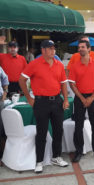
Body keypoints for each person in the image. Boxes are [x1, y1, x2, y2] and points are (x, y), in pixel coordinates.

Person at [19, 40, 69, 173]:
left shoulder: (58, 64)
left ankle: (56, 157)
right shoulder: (34, 64)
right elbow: (22, 79)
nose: (53, 51)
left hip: (57, 101)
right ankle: (39, 161)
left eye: (54, 48)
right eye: (50, 48)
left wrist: (65, 100)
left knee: (58, 130)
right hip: (41, 102)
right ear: (43, 50)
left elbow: (63, 83)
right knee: (41, 133)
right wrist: (29, 98)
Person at [68, 40, 94, 162]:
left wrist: (91, 98)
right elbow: (72, 84)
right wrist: (82, 98)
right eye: (79, 47)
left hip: (93, 96)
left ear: (89, 49)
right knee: (78, 126)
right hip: (80, 98)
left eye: (83, 47)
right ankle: (79, 151)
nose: (80, 49)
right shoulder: (74, 65)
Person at [0, 67, 9, 162]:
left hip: (0, 101)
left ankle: (1, 155)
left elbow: (5, 78)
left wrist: (5, 92)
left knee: (1, 128)